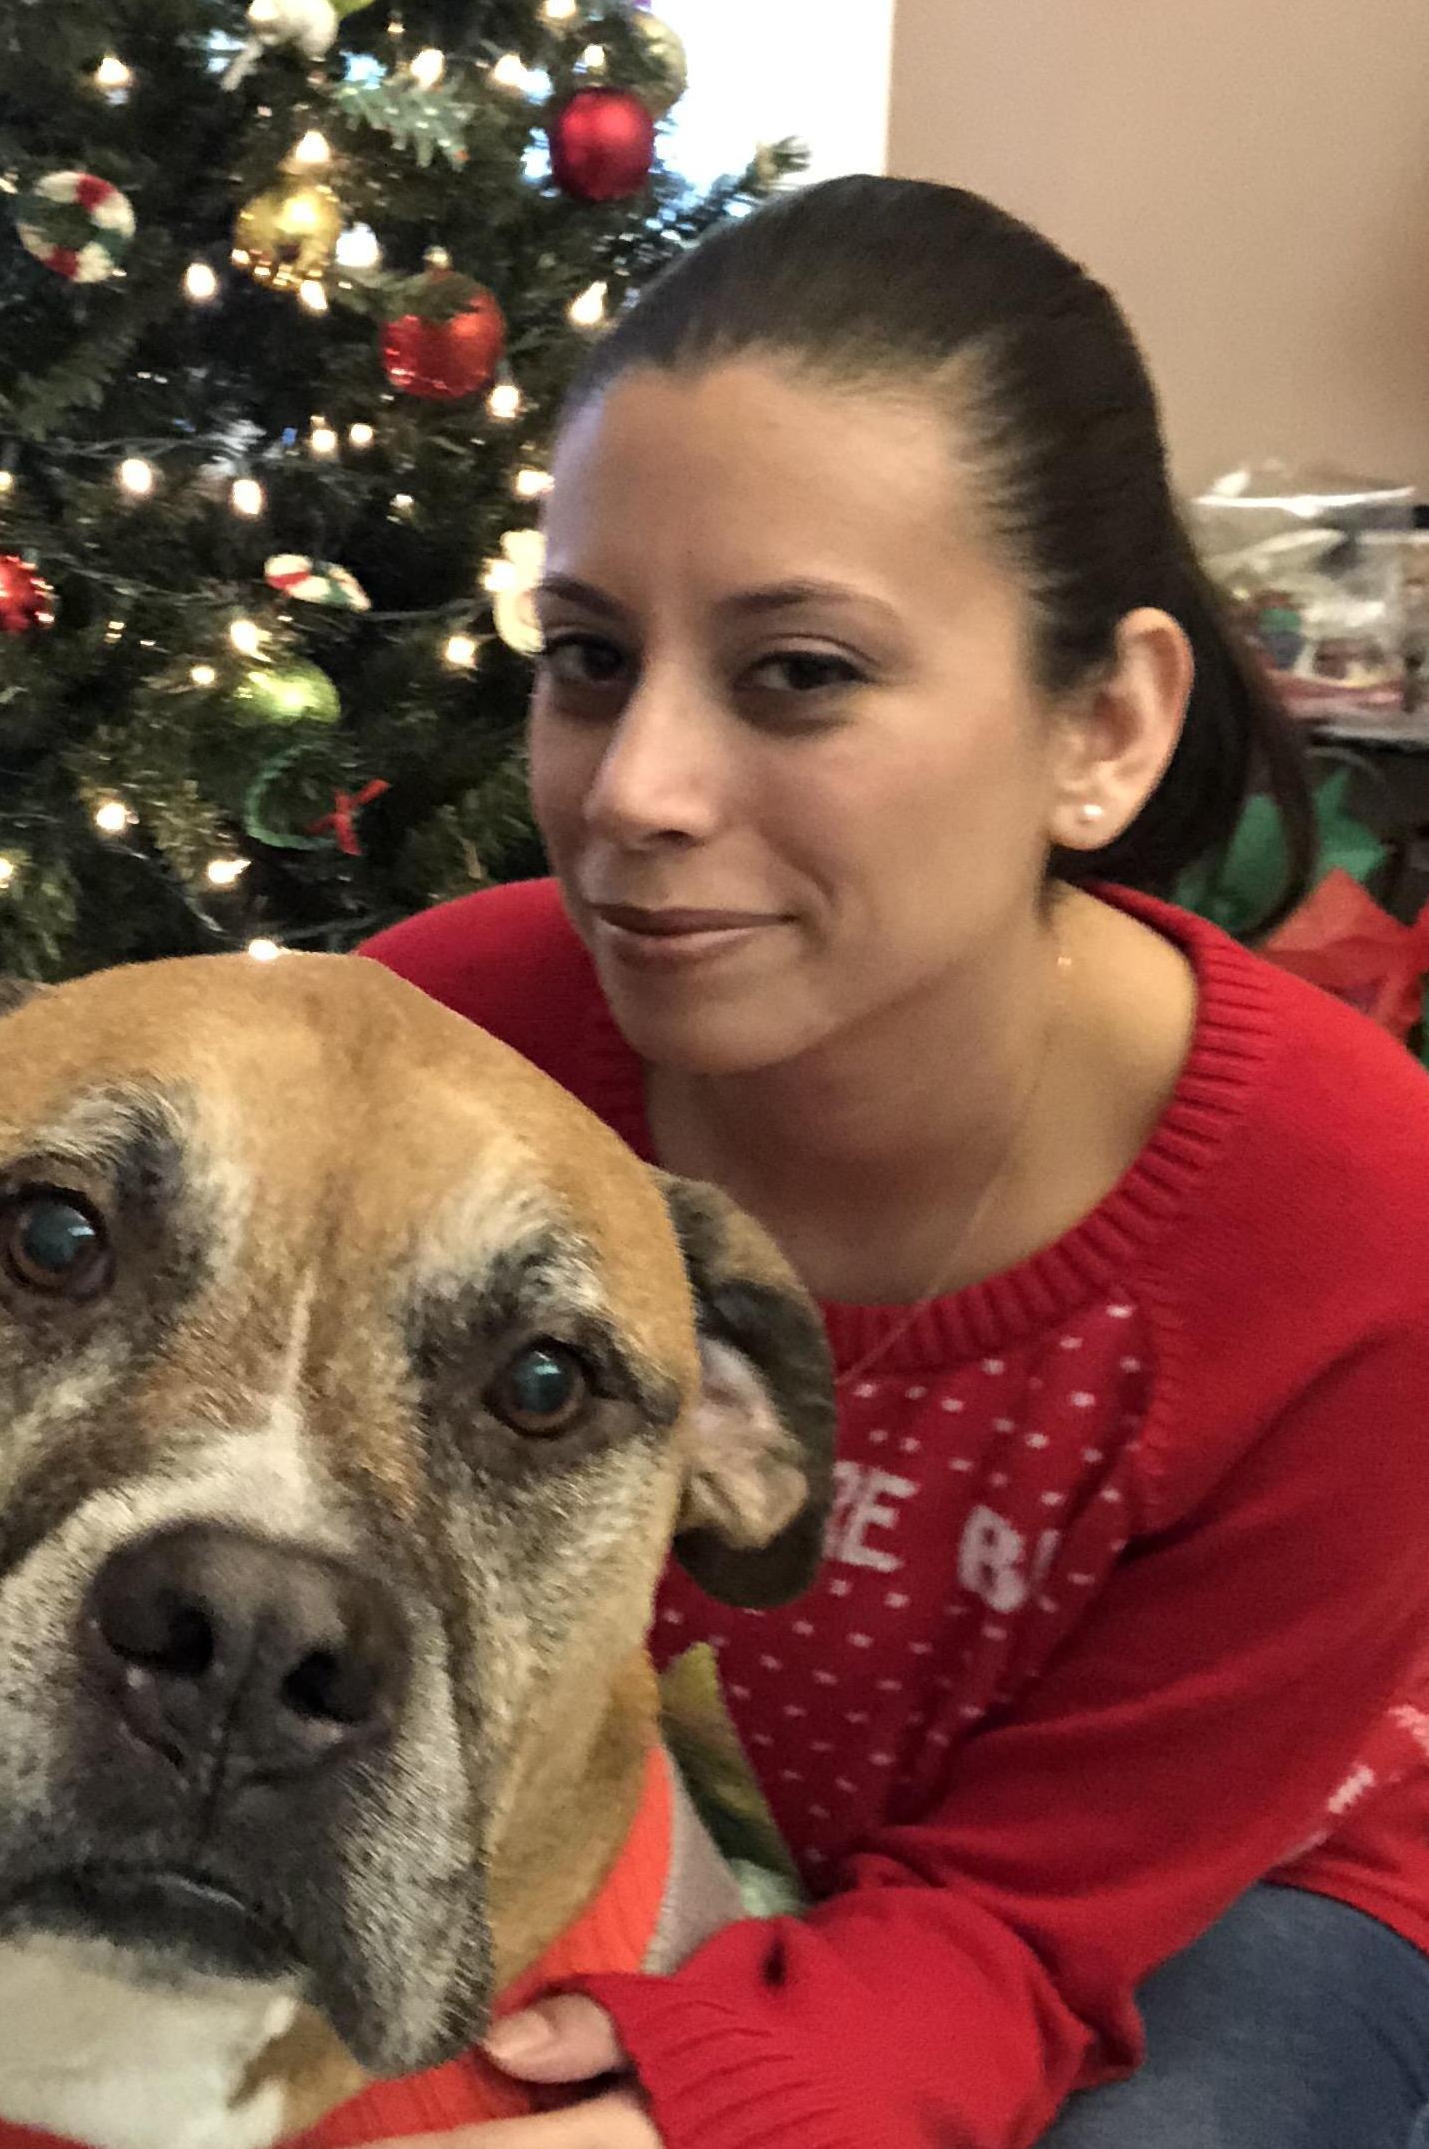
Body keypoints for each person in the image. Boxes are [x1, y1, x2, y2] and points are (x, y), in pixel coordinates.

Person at [354, 176, 1429, 2149]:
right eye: (590, 656)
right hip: (619, 1785)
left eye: (799, 674)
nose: (637, 793)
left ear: (1103, 723)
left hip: (1213, 1883)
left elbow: (1034, 1920)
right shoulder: (432, 1048)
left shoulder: (1354, 1220)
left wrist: (697, 2106)